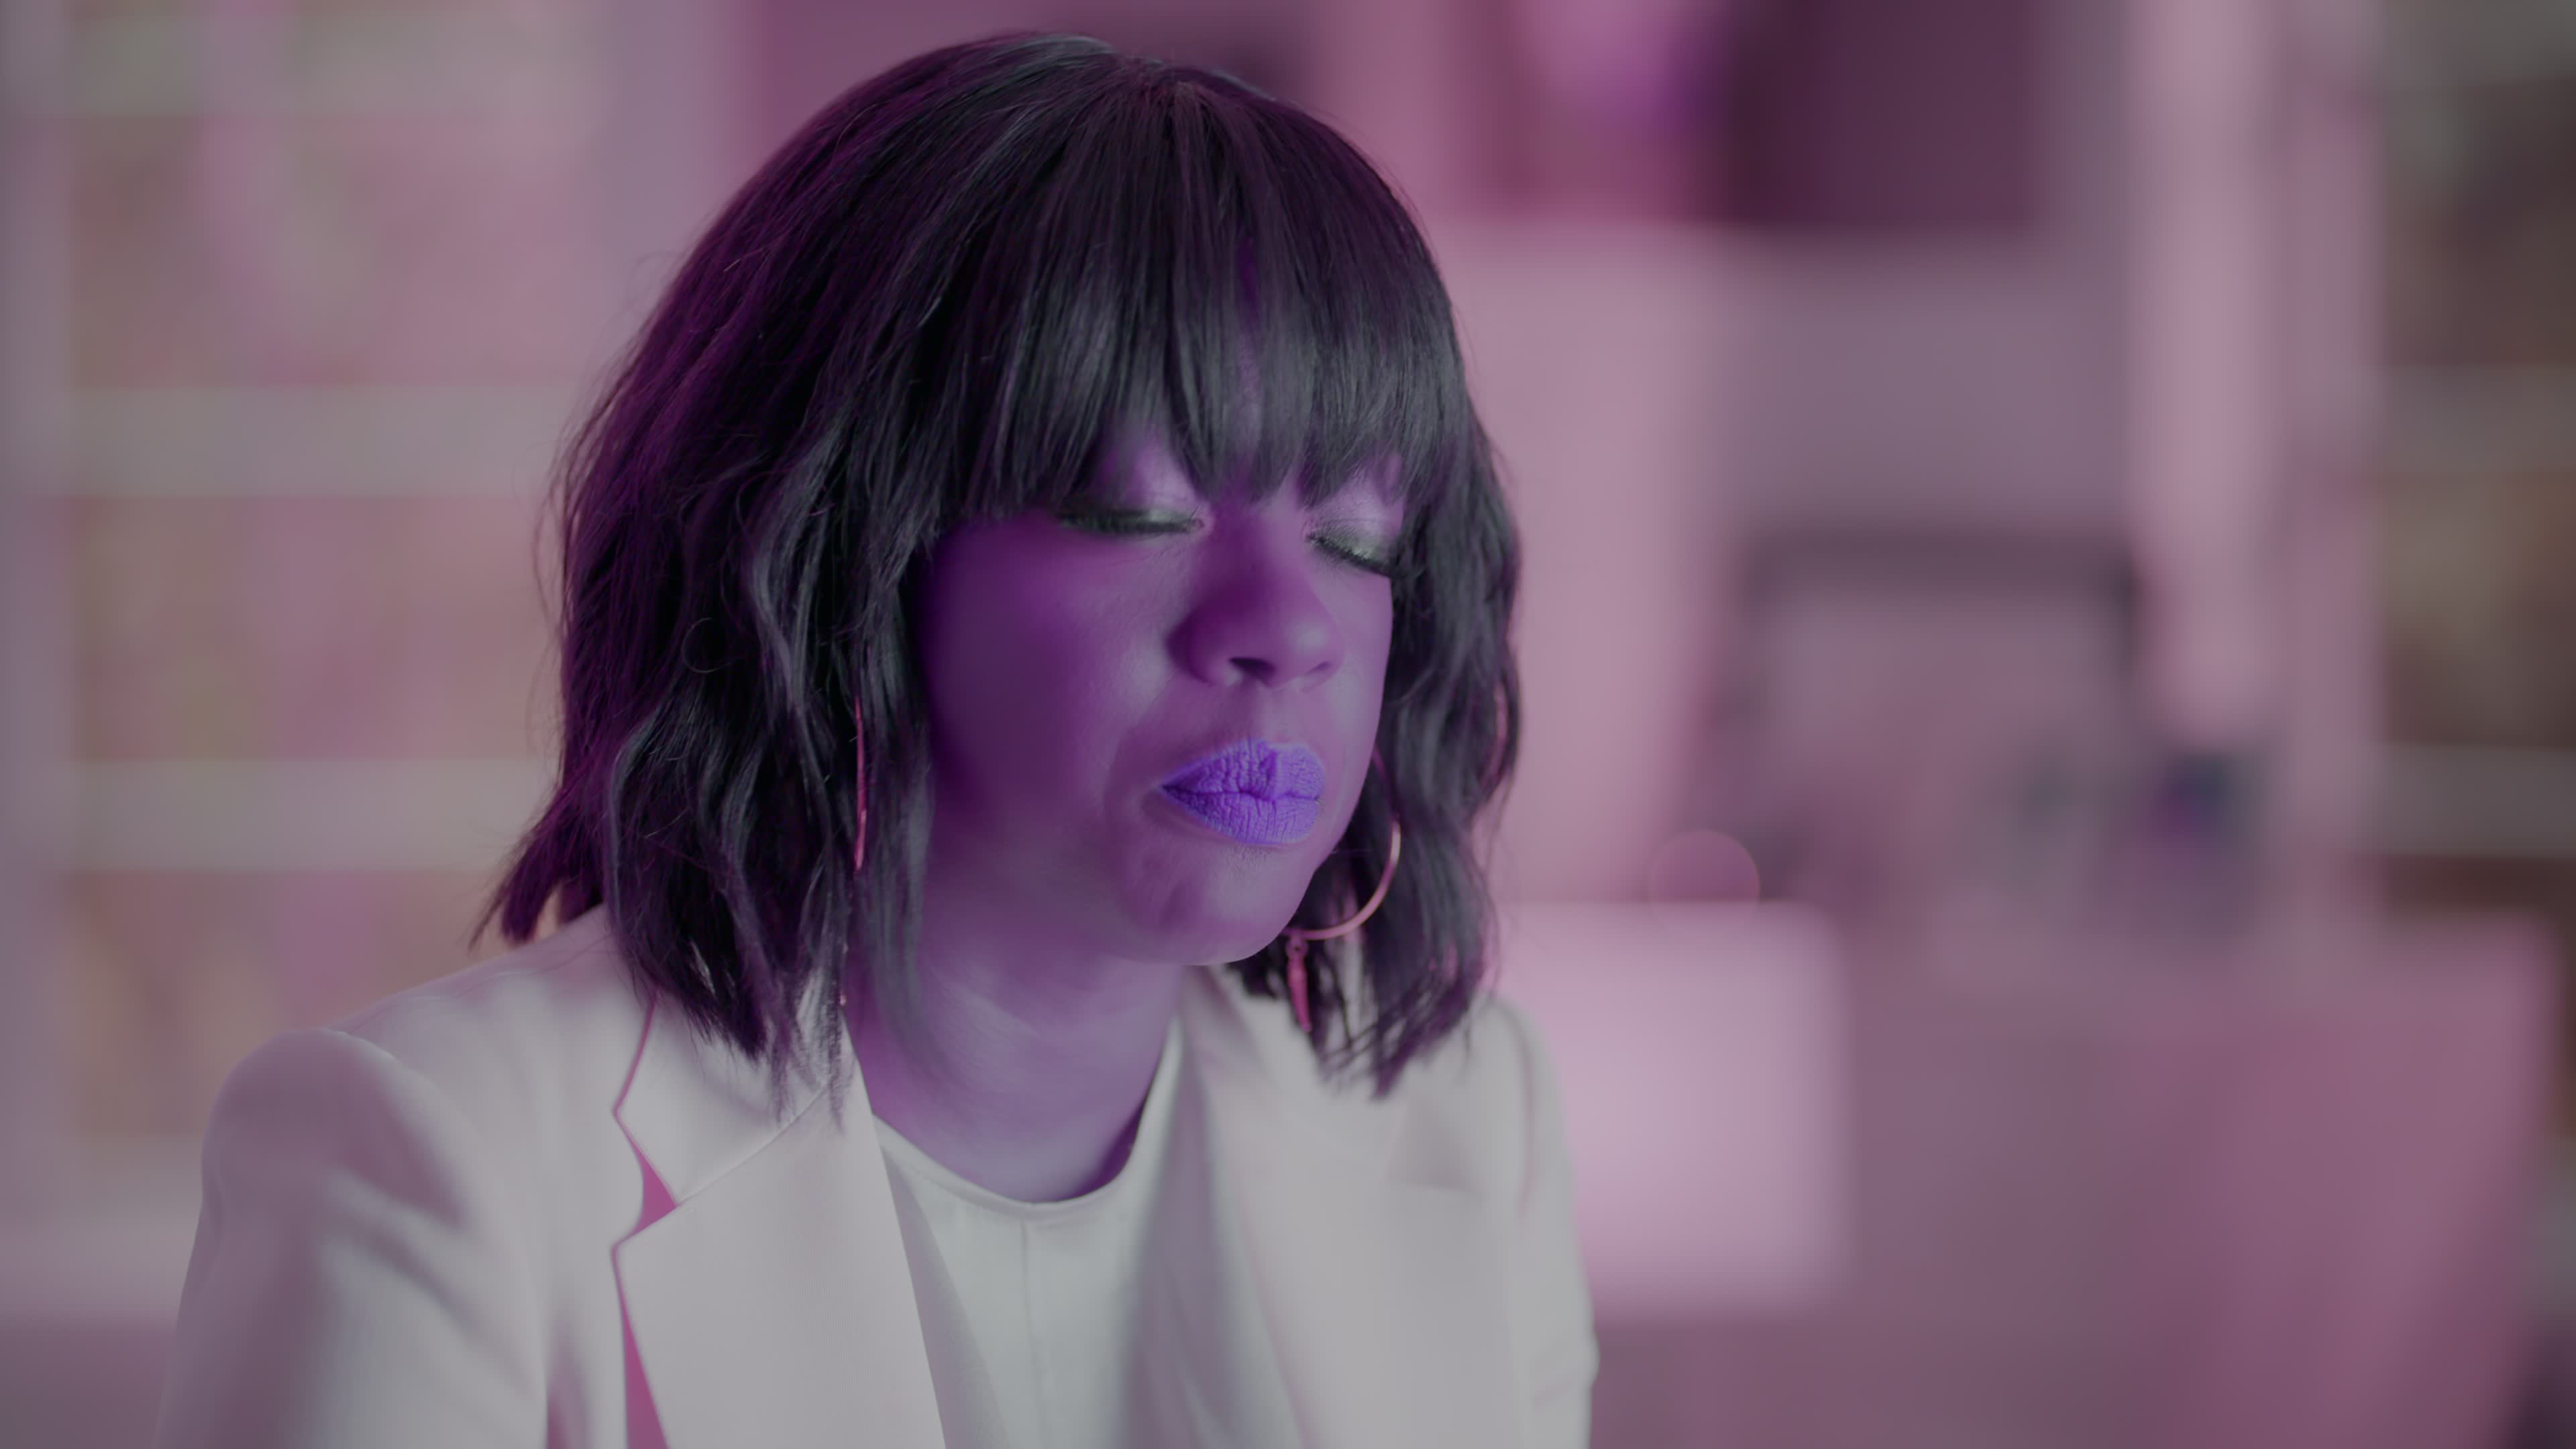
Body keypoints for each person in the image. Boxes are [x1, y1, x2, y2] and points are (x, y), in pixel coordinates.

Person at [152, 31, 1596, 1449]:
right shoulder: (434, 1161)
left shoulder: (1474, 1125)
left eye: (1360, 538)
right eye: (1137, 511)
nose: (1288, 625)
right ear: (837, 554)